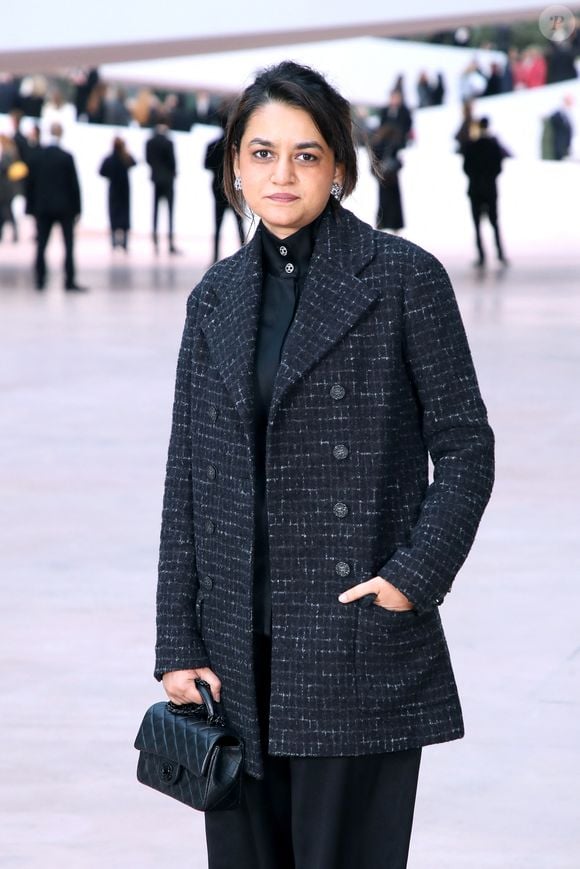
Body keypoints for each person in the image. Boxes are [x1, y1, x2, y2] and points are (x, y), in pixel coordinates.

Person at [154, 61, 494, 869]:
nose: (282, 174)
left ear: (340, 166)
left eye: (306, 155)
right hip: (236, 658)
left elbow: (468, 446)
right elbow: (187, 478)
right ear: (234, 163)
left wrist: (412, 577)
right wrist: (177, 638)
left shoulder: (404, 278)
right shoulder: (215, 297)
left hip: (352, 640)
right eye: (263, 152)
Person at [25, 122, 85, 291]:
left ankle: (40, 279)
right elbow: (74, 185)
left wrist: (30, 208)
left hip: (43, 208)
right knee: (68, 245)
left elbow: (30, 185)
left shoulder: (37, 157)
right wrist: (78, 209)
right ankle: (69, 280)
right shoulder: (66, 157)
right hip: (65, 208)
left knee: (41, 244)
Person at [462, 116, 510, 268]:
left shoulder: (471, 146)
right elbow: (498, 167)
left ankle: (482, 255)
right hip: (489, 189)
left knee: (477, 224)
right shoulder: (492, 145)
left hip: (475, 189)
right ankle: (500, 253)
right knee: (494, 222)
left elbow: (466, 168)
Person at [204, 124, 245, 263]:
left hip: (218, 190)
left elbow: (206, 164)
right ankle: (246, 256)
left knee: (217, 226)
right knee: (239, 225)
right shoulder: (236, 148)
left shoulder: (213, 145)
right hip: (234, 189)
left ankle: (214, 256)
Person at [145, 122, 179, 253]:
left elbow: (148, 159)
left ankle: (155, 241)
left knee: (155, 211)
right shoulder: (168, 142)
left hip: (156, 179)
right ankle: (170, 242)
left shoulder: (150, 142)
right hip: (168, 180)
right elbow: (172, 162)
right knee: (170, 212)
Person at [99, 136, 136, 251]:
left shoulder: (111, 159)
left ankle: (115, 242)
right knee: (123, 215)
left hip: (114, 190)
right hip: (123, 190)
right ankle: (123, 242)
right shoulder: (124, 158)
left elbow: (102, 171)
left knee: (114, 215)